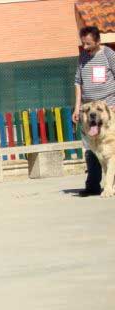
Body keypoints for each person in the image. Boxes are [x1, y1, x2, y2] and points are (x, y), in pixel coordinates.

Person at [72, 26, 115, 197]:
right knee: (92, 148)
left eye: (89, 44)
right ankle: (93, 185)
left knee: (110, 150)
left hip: (107, 109)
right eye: (83, 43)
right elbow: (77, 82)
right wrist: (77, 107)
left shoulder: (108, 55)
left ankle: (109, 185)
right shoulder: (82, 56)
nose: (85, 47)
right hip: (88, 110)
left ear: (98, 41)